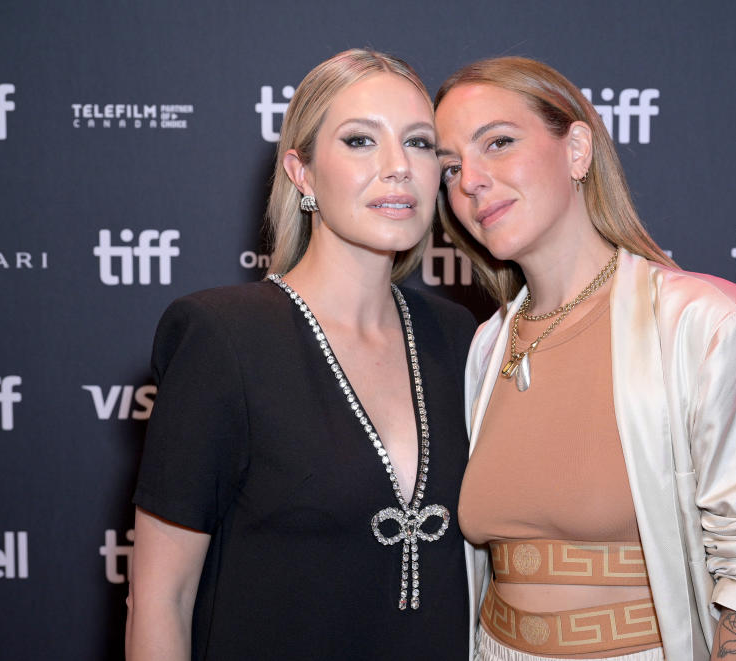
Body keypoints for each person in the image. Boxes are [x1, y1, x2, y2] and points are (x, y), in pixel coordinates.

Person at [433, 57, 736, 661]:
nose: (470, 181)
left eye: (499, 143)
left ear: (577, 149)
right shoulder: (488, 345)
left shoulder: (708, 324)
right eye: (450, 167)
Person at [125, 49, 475, 660]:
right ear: (302, 173)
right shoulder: (222, 336)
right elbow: (161, 596)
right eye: (361, 140)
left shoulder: (458, 335)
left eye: (420, 144)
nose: (398, 167)